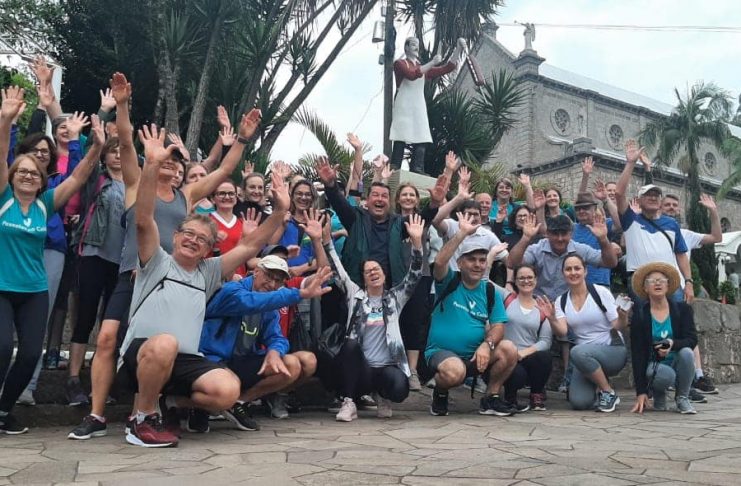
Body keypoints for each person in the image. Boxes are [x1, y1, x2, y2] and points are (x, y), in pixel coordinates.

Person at [69, 72, 261, 440]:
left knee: (160, 344)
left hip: (169, 283)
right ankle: (96, 414)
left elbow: (224, 169)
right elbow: (127, 142)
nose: (170, 165)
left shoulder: (186, 196)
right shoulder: (135, 185)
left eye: (176, 162)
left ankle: (145, 411)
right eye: (165, 160)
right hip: (132, 273)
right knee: (106, 339)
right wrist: (122, 105)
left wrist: (242, 139)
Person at [117, 125, 290, 448]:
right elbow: (142, 220)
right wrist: (151, 165)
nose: (194, 241)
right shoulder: (155, 260)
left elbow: (250, 245)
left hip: (184, 361)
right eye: (188, 235)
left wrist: (280, 211)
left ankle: (171, 405)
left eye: (202, 239)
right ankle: (141, 419)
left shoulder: (208, 272)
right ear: (175, 237)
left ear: (210, 248)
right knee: (166, 342)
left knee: (228, 389)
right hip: (143, 356)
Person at [0, 86, 105, 434]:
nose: (28, 176)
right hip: (2, 286)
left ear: (42, 179)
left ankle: (4, 409)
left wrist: (96, 146)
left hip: (34, 289)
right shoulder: (3, 197)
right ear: (12, 174)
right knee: (2, 348)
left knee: (31, 354)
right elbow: (1, 152)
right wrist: (6, 121)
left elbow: (79, 176)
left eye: (34, 173)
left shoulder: (46, 204)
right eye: (22, 171)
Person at [200, 251, 332, 432]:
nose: (272, 284)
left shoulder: (269, 303)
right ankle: (188, 406)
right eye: (269, 276)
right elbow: (250, 302)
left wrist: (274, 351)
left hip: (242, 361)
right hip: (212, 361)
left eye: (279, 281)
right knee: (222, 389)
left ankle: (238, 403)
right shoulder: (233, 291)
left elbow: (277, 337)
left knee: (291, 364)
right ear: (256, 271)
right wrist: (299, 294)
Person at [329, 214, 426, 422]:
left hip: (386, 368)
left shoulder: (395, 298)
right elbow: (337, 270)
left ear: (384, 274)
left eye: (376, 269)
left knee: (400, 389)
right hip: (361, 369)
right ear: (363, 278)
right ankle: (349, 402)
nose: (373, 273)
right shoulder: (355, 295)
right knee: (350, 345)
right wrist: (325, 240)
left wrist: (417, 243)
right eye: (367, 271)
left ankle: (382, 395)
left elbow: (414, 275)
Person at [426, 212, 518, 417]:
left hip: (476, 355)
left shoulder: (490, 290)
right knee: (455, 372)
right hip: (442, 353)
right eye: (472, 260)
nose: (477, 264)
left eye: (482, 260)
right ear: (460, 263)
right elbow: (439, 263)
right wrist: (461, 234)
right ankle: (440, 392)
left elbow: (499, 326)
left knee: (509, 349)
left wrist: (488, 344)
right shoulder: (449, 281)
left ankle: (491, 398)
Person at [316, 156, 443, 287]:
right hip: (357, 288)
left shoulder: (398, 223)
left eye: (384, 196)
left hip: (390, 290)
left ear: (390, 202)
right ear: (368, 200)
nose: (380, 199)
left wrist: (434, 203)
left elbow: (420, 219)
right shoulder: (355, 218)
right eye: (375, 195)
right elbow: (339, 203)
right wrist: (330, 185)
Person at [66, 136, 126, 405]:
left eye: (121, 151)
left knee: (111, 324)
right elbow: (80, 168)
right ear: (104, 155)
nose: (117, 156)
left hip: (121, 261)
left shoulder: (135, 184)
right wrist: (94, 143)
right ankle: (73, 379)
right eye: (112, 151)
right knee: (85, 317)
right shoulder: (96, 180)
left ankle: (101, 383)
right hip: (93, 253)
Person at [539, 255, 629, 412]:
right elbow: (562, 331)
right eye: (568, 269)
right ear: (563, 273)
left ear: (585, 271)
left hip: (612, 350)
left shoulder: (600, 292)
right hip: (583, 358)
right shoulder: (561, 301)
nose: (573, 272)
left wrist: (623, 316)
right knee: (579, 402)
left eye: (577, 268)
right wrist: (552, 319)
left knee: (576, 351)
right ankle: (598, 384)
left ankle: (608, 392)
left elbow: (618, 325)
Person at [614, 139, 692, 303]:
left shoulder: (672, 224)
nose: (653, 198)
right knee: (644, 318)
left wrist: (688, 282)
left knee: (678, 316)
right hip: (640, 280)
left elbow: (681, 254)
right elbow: (619, 194)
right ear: (639, 201)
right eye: (648, 195)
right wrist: (630, 163)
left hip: (668, 279)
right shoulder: (630, 220)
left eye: (656, 195)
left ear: (660, 201)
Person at [660, 192, 721, 396]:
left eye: (674, 205)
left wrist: (713, 212)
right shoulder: (653, 231)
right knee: (662, 331)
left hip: (680, 287)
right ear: (660, 208)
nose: (671, 207)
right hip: (658, 286)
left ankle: (697, 376)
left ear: (679, 209)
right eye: (667, 204)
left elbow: (717, 237)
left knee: (686, 331)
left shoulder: (686, 234)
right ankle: (669, 376)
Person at [629, 263, 698, 415]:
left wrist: (673, 344)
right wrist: (641, 392)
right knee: (657, 373)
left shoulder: (683, 310)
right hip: (655, 366)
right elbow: (638, 354)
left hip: (677, 361)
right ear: (645, 288)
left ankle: (682, 397)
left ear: (668, 285)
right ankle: (658, 393)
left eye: (661, 280)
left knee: (687, 352)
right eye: (652, 281)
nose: (657, 283)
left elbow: (692, 339)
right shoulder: (640, 316)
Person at [389, 37, 465, 174]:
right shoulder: (400, 64)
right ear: (406, 48)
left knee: (422, 133)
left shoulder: (422, 67)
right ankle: (395, 166)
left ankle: (417, 167)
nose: (416, 47)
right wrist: (432, 62)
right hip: (404, 103)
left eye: (417, 45)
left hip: (418, 104)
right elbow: (412, 75)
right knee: (401, 134)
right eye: (413, 44)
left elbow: (446, 68)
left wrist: (458, 49)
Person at [507, 213, 617, 300]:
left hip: (569, 304)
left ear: (571, 234)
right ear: (547, 234)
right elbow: (512, 263)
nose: (560, 239)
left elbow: (610, 263)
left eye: (564, 234)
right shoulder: (537, 249)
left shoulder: (580, 249)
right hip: (539, 303)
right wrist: (526, 238)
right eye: (555, 234)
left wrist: (603, 239)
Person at [394, 182, 434, 391]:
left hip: (420, 277)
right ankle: (395, 366)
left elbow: (436, 209)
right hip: (396, 277)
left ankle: (413, 371)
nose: (408, 197)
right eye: (404, 194)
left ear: (417, 199)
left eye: (412, 194)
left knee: (415, 323)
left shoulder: (423, 220)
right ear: (398, 199)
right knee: (395, 322)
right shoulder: (391, 221)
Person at [502, 265, 553, 411]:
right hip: (507, 354)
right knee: (517, 375)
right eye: (521, 278)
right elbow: (485, 279)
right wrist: (493, 255)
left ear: (536, 280)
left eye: (530, 277)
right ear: (515, 281)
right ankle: (510, 397)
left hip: (528, 355)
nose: (526, 281)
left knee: (544, 357)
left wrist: (524, 353)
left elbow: (546, 341)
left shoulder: (542, 306)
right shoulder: (506, 298)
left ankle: (536, 394)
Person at [209, 180, 245, 276]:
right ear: (213, 199)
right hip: (212, 278)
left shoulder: (244, 223)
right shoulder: (205, 222)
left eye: (231, 194)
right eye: (222, 193)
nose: (227, 197)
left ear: (236, 198)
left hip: (238, 280)